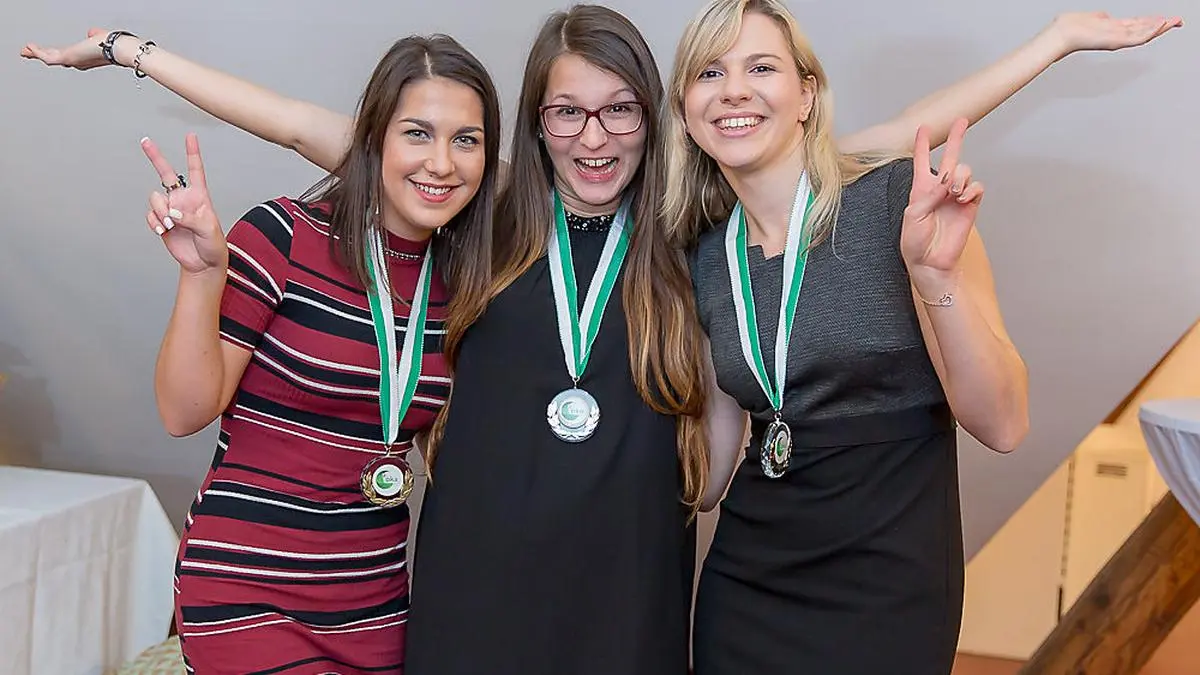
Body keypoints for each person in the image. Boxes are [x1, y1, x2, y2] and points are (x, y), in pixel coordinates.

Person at [18, 6, 1181, 674]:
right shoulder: (488, 213)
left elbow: (884, 138)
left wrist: (1057, 43)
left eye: (619, 108)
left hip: (630, 575)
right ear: (535, 120)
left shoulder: (695, 222)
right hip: (479, 576)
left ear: (655, 117)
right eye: (567, 110)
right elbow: (322, 126)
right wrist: (134, 52)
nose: (593, 134)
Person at [663, 0, 1178, 673]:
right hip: (751, 575)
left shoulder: (900, 202)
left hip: (888, 576)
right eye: (709, 71)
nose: (733, 88)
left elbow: (1003, 425)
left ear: (806, 95)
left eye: (761, 66)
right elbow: (709, 469)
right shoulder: (705, 254)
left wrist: (933, 274)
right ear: (684, 104)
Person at [126, 34, 500, 673]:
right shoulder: (284, 236)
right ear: (374, 136)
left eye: (465, 140)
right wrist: (200, 277)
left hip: (374, 601)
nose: (441, 162)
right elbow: (183, 411)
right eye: (417, 133)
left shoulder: (466, 284)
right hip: (247, 588)